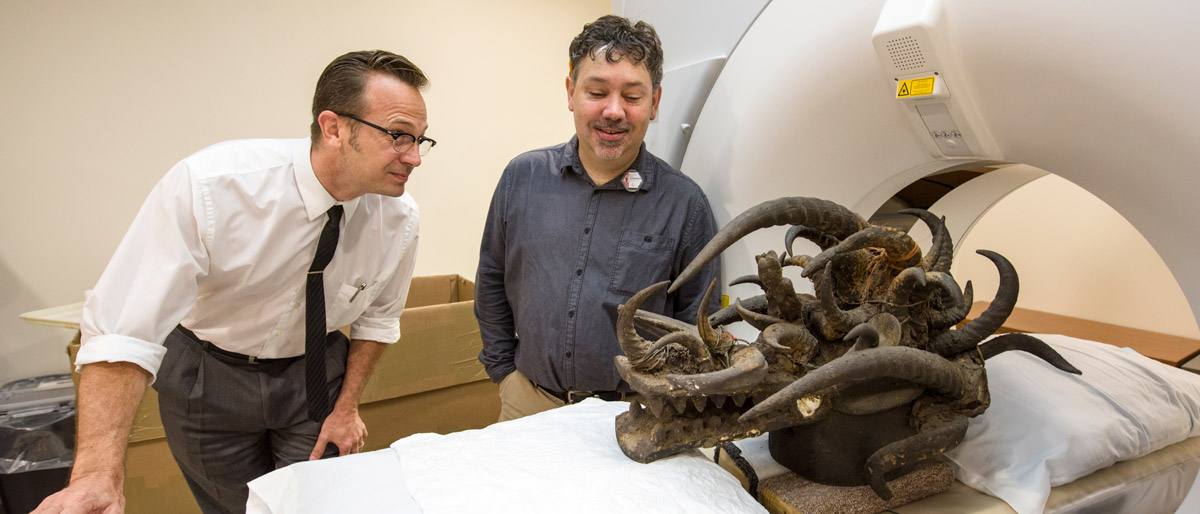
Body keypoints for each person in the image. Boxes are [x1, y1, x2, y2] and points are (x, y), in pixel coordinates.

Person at [35, 50, 433, 514]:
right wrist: (96, 476)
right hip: (208, 373)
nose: (414, 158)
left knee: (316, 503)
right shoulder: (213, 187)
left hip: (315, 373)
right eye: (399, 136)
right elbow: (124, 330)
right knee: (233, 506)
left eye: (422, 141)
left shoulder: (399, 219)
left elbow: (377, 321)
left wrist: (346, 406)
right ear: (334, 128)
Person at [475, 15, 721, 422]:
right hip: (528, 403)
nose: (613, 111)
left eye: (632, 96)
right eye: (597, 91)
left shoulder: (685, 205)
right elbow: (492, 277)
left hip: (636, 413)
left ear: (655, 103)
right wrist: (504, 373)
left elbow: (695, 318)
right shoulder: (522, 178)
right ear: (571, 92)